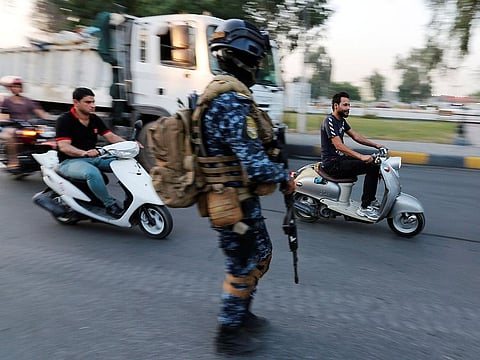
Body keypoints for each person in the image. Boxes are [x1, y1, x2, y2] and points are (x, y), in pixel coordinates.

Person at [200, 19, 295, 355]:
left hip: (242, 200)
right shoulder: (230, 102)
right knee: (241, 265)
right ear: (245, 56)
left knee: (261, 254)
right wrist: (284, 177)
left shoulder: (226, 96)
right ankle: (227, 332)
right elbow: (255, 165)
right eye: (256, 60)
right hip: (231, 205)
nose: (258, 66)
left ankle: (242, 313)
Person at [55, 87, 125, 217]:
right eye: (88, 102)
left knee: (125, 163)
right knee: (92, 173)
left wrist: (129, 145)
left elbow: (111, 136)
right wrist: (84, 153)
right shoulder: (65, 120)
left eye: (93, 102)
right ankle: (109, 205)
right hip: (70, 161)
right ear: (76, 102)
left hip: (93, 158)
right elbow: (64, 146)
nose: (92, 106)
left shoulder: (94, 119)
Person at [320, 91, 385, 220]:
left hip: (340, 159)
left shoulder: (342, 121)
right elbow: (339, 146)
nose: (348, 108)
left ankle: (370, 200)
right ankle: (365, 207)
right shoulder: (330, 121)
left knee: (374, 163)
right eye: (345, 105)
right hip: (333, 164)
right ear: (336, 106)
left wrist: (376, 145)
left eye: (349, 105)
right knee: (371, 166)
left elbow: (356, 136)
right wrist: (361, 157)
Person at [0, 76, 49, 172]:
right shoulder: (7, 101)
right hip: (11, 126)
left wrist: (50, 120)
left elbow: (41, 113)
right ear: (10, 88)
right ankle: (13, 162)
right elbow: (3, 114)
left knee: (43, 136)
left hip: (25, 127)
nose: (16, 88)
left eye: (18, 86)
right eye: (14, 86)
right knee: (11, 135)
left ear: (21, 88)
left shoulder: (28, 101)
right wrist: (6, 120)